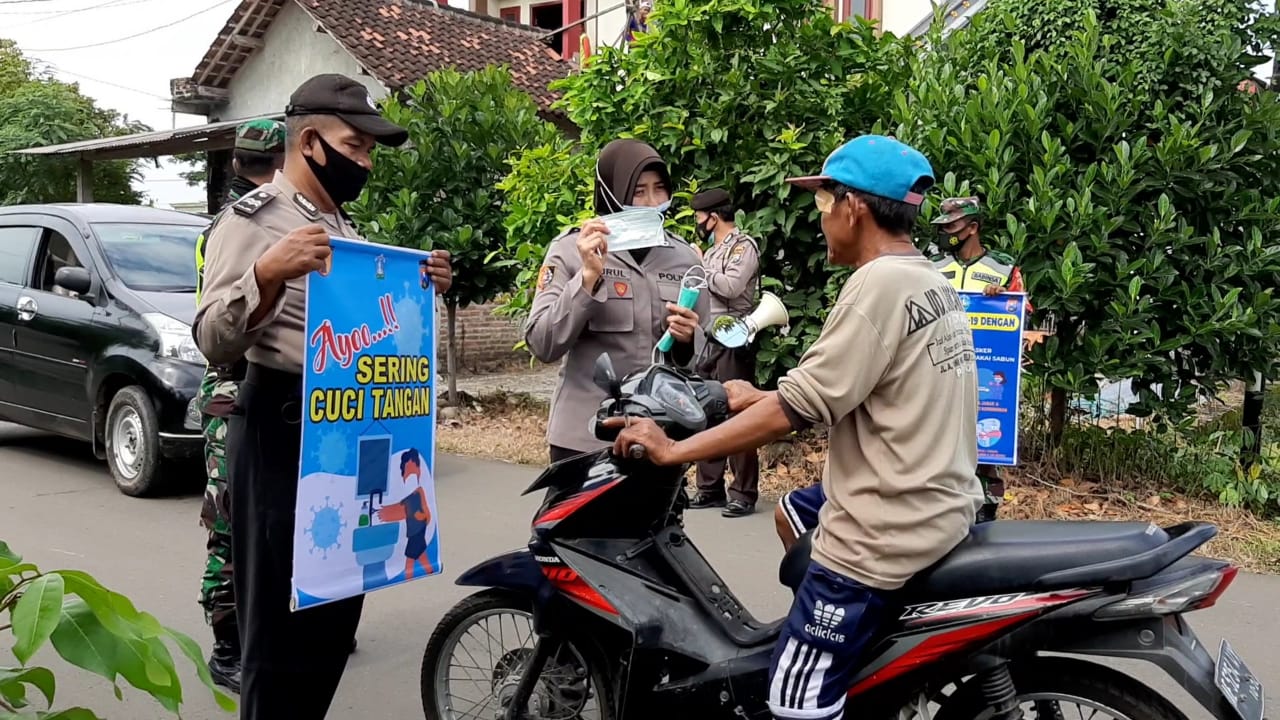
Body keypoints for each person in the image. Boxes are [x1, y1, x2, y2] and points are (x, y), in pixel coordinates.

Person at [604, 135, 983, 720]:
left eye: (824, 204)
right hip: (936, 495)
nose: (821, 218)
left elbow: (794, 412)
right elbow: (860, 387)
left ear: (854, 208)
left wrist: (674, 450)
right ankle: (837, 647)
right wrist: (759, 395)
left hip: (884, 531)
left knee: (790, 700)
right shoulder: (926, 278)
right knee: (793, 512)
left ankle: (824, 649)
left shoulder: (877, 286)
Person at [193, 73, 453, 719]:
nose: (364, 162)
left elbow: (377, 331)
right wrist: (266, 274)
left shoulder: (345, 229)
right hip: (282, 434)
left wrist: (422, 284)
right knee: (280, 642)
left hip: (349, 438)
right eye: (355, 146)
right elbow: (212, 337)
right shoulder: (253, 222)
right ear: (309, 141)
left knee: (332, 620)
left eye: (369, 151)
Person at [524, 138, 706, 463]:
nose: (652, 203)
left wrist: (687, 340)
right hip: (585, 440)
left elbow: (701, 356)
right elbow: (542, 343)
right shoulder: (571, 251)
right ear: (611, 193)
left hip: (659, 437)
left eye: (660, 189)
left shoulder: (684, 259)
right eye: (638, 191)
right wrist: (586, 280)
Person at [193, 117, 286, 695]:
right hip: (234, 387)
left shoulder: (248, 219)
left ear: (235, 163)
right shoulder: (241, 225)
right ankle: (228, 645)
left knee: (263, 519)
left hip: (256, 389)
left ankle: (277, 622)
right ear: (282, 164)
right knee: (229, 521)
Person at [931, 195, 1031, 522]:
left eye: (951, 227)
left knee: (985, 443)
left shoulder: (1003, 269)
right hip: (939, 372)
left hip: (986, 375)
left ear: (972, 228)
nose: (945, 234)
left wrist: (1003, 300)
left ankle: (986, 509)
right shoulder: (932, 267)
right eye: (942, 227)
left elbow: (1023, 316)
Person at [688, 188, 762, 518]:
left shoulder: (743, 247)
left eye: (699, 217)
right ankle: (710, 488)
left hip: (734, 335)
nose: (697, 222)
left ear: (713, 218)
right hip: (708, 337)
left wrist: (700, 265)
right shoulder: (713, 250)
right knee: (707, 411)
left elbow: (732, 287)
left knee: (738, 413)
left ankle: (743, 493)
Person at [376, 448, 434, 579]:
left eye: (413, 470)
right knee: (421, 554)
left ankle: (409, 576)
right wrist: (384, 510)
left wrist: (423, 517)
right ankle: (429, 570)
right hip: (413, 532)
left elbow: (426, 511)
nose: (410, 475)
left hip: (418, 532)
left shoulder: (419, 492)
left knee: (410, 558)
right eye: (407, 471)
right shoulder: (407, 498)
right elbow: (399, 508)